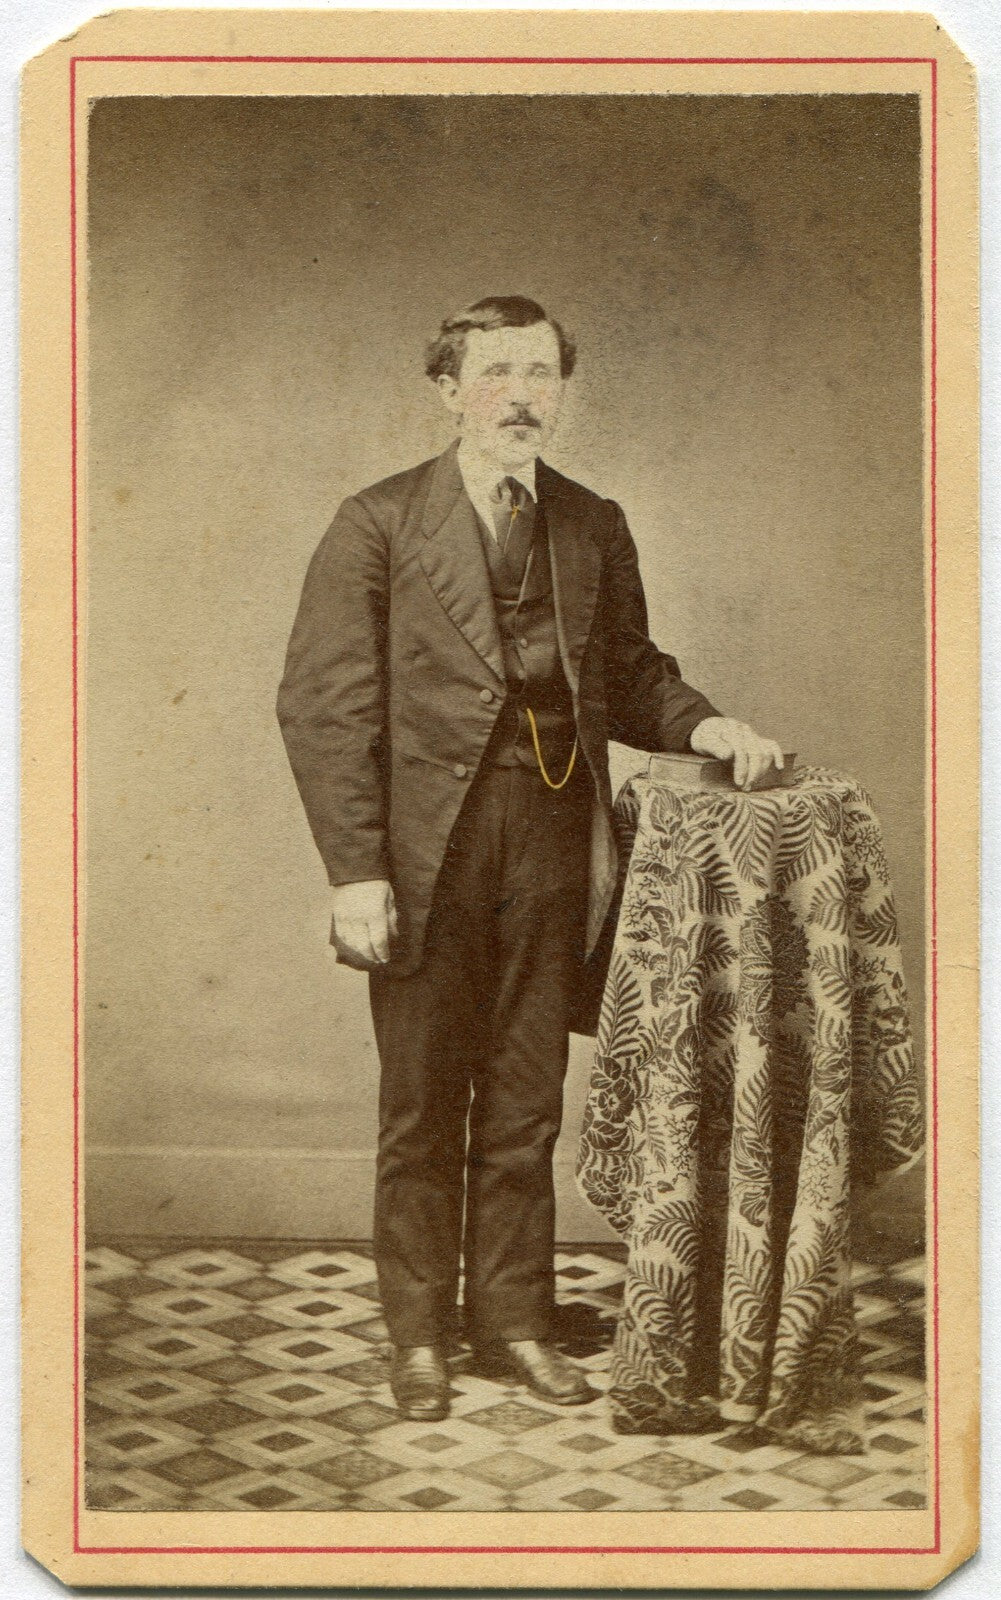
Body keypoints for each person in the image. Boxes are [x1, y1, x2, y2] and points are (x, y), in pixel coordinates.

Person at [277, 295, 783, 1423]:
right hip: (423, 855)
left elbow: (632, 670)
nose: (519, 394)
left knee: (523, 1099)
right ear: (446, 388)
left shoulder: (590, 521)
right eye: (495, 371)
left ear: (559, 390)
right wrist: (355, 870)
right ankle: (418, 1336)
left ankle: (509, 1321)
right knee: (419, 1103)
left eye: (540, 374)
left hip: (555, 837)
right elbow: (320, 707)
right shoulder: (378, 523)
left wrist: (706, 727)